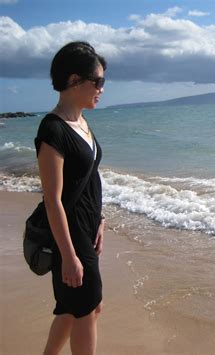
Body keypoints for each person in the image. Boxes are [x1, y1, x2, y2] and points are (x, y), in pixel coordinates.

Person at [35, 41, 106, 355]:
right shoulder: (53, 129)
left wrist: (100, 219)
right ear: (75, 81)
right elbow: (53, 200)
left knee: (70, 308)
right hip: (71, 237)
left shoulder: (81, 123)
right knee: (88, 309)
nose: (102, 89)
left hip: (87, 231)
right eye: (98, 81)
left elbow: (87, 177)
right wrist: (69, 256)